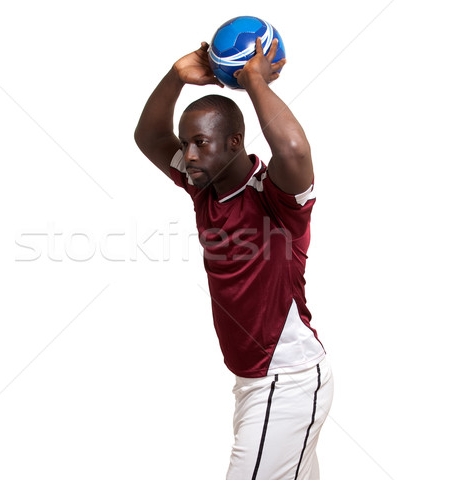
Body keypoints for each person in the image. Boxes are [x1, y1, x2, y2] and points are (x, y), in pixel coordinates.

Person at [134, 37, 334, 480]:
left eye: (200, 143)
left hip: (287, 381)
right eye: (186, 144)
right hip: (253, 382)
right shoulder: (202, 185)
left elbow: (295, 151)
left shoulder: (277, 198)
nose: (187, 155)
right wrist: (174, 75)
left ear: (234, 143)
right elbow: (147, 136)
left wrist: (255, 80)